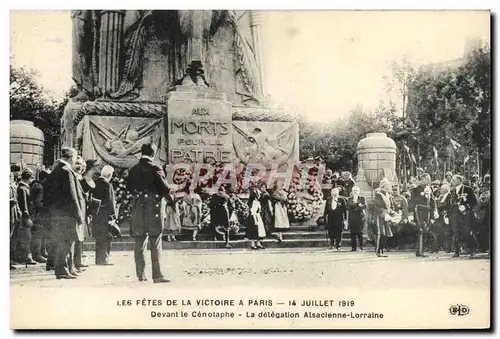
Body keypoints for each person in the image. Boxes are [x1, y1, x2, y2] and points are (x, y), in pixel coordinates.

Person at [127, 143, 171, 283]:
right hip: (153, 208)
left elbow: (129, 188)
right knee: (155, 241)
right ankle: (157, 275)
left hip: (139, 207)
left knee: (139, 241)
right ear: (154, 152)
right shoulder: (155, 167)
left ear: (141, 152)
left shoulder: (133, 169)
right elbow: (165, 188)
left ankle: (141, 275)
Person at [43, 147, 86, 279]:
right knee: (65, 242)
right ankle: (62, 270)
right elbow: (72, 196)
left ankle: (70, 267)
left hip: (58, 213)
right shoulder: (66, 171)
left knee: (69, 241)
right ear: (71, 157)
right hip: (67, 214)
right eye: (75, 157)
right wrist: (79, 214)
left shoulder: (58, 170)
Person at [92, 165, 117, 265]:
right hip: (105, 215)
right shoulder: (107, 185)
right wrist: (112, 216)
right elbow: (110, 202)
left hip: (96, 214)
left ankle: (98, 259)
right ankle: (104, 259)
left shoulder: (95, 183)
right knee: (106, 238)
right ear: (110, 175)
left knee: (99, 238)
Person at [410, 173, 438, 257]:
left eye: (429, 179)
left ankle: (419, 250)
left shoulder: (429, 189)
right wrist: (411, 213)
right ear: (422, 179)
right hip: (419, 211)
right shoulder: (416, 189)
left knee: (425, 230)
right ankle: (420, 251)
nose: (429, 180)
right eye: (427, 179)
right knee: (421, 229)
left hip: (428, 212)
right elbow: (412, 202)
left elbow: (433, 201)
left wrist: (435, 211)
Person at [449, 175, 478, 258]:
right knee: (456, 232)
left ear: (459, 181)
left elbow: (474, 202)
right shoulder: (453, 191)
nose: (452, 182)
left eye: (453, 180)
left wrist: (466, 206)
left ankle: (473, 249)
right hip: (455, 214)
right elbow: (451, 203)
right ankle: (457, 251)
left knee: (467, 232)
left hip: (465, 214)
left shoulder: (468, 189)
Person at [16, 168, 37, 265]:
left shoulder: (24, 187)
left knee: (27, 236)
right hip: (25, 216)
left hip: (27, 215)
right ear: (29, 177)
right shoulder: (23, 188)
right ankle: (27, 257)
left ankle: (26, 256)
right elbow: (24, 205)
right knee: (26, 237)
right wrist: (27, 217)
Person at [29, 169, 50, 263]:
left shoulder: (36, 185)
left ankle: (42, 252)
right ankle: (37, 255)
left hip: (36, 213)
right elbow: (38, 201)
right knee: (38, 234)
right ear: (44, 179)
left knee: (41, 233)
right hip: (38, 213)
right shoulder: (40, 187)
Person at [372, 179, 394, 257]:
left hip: (386, 216)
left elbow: (389, 206)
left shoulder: (388, 195)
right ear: (383, 186)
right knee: (380, 233)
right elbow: (375, 206)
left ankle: (381, 250)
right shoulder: (378, 195)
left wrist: (392, 212)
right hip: (379, 216)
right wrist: (383, 212)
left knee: (385, 234)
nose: (389, 187)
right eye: (387, 185)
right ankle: (378, 251)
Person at [346, 186, 366, 251]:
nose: (355, 192)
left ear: (359, 191)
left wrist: (354, 206)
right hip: (352, 218)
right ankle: (353, 248)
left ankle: (361, 246)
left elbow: (364, 206)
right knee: (353, 233)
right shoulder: (349, 199)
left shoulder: (362, 198)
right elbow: (348, 207)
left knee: (360, 233)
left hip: (360, 217)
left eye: (356, 190)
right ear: (352, 191)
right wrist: (358, 205)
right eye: (354, 190)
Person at [436, 183, 453, 253]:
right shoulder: (440, 196)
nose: (440, 190)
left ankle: (449, 248)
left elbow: (449, 205)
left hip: (447, 216)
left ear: (446, 190)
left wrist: (445, 212)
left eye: (442, 189)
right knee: (441, 231)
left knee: (448, 232)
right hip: (440, 216)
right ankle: (442, 246)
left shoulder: (449, 196)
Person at [10, 171, 21, 269]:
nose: (11, 177)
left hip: (13, 213)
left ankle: (11, 260)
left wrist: (18, 211)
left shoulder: (13, 186)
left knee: (12, 236)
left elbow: (16, 200)